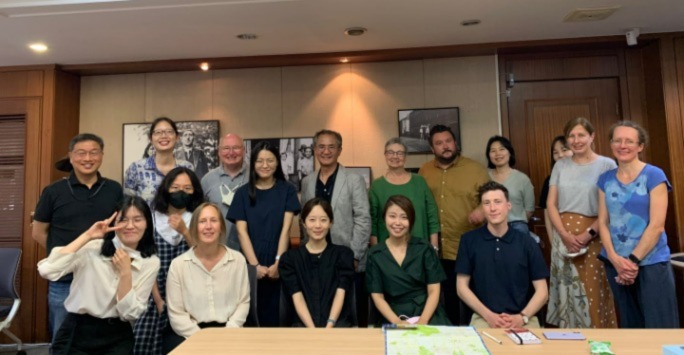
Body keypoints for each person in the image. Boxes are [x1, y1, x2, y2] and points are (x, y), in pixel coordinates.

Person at [37, 196, 160, 354]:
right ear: (114, 222)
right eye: (123, 220)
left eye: (137, 219)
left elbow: (130, 313)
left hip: (117, 333)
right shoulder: (93, 248)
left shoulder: (151, 262)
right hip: (78, 329)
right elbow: (47, 270)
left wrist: (125, 274)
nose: (130, 226)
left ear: (147, 224)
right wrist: (87, 236)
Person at [32, 133, 123, 341]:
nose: (87, 158)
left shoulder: (114, 189)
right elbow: (38, 232)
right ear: (71, 157)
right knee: (63, 338)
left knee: (101, 339)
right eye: (81, 153)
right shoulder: (53, 191)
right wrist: (66, 257)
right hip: (65, 280)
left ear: (101, 156)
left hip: (102, 276)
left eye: (94, 153)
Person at [597, 121, 679, 328]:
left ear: (640, 146)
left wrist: (631, 262)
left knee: (660, 327)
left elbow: (657, 225)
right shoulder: (604, 179)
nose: (622, 145)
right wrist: (616, 260)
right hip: (615, 264)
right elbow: (603, 222)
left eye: (629, 141)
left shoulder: (654, 175)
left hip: (651, 262)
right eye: (617, 140)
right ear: (611, 144)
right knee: (630, 327)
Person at [546, 117, 617, 328]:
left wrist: (588, 234)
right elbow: (551, 204)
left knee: (593, 293)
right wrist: (564, 235)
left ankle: (599, 344)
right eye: (571, 136)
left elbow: (611, 206)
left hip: (595, 237)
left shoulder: (607, 164)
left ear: (592, 136)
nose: (576, 140)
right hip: (564, 237)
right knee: (566, 294)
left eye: (581, 135)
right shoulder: (560, 165)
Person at [418, 124, 488, 325]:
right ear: (432, 149)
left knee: (471, 299)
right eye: (439, 143)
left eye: (448, 141)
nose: (445, 146)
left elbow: (493, 197)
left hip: (468, 247)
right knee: (445, 298)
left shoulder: (475, 169)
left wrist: (481, 209)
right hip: (437, 249)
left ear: (455, 143)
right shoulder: (425, 171)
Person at [300, 129, 370, 325]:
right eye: (321, 146)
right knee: (319, 312)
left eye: (332, 147)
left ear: (340, 150)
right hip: (315, 258)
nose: (326, 151)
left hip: (346, 258)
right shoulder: (307, 181)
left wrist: (354, 255)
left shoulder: (353, 180)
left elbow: (363, 218)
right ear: (314, 150)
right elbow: (303, 218)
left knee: (350, 314)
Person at [227, 141, 301, 327]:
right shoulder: (242, 193)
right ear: (252, 164)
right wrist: (254, 266)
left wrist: (278, 262)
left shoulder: (288, 190)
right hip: (250, 262)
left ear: (277, 163)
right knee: (251, 317)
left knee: (279, 317)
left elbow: (286, 230)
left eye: (270, 160)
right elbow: (242, 232)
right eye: (260, 161)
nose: (265, 165)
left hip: (279, 261)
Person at [456, 181, 548, 328]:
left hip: (524, 318)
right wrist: (489, 316)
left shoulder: (527, 242)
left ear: (508, 206)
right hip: (483, 318)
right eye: (486, 203)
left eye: (497, 202)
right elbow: (461, 287)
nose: (492, 208)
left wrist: (522, 317)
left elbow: (542, 291)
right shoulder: (469, 240)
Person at [133, 167, 205, 355]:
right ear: (166, 189)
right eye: (175, 187)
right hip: (153, 291)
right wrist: (158, 300)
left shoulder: (200, 218)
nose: (181, 192)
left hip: (190, 295)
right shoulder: (151, 218)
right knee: (144, 342)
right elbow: (143, 260)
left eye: (187, 188)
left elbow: (204, 257)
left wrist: (185, 231)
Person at [165, 203, 250, 351]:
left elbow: (243, 302)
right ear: (194, 228)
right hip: (191, 333)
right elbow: (176, 314)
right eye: (202, 221)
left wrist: (229, 332)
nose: (208, 226)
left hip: (230, 330)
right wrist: (202, 339)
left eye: (214, 220)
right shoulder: (178, 265)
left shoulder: (237, 260)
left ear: (221, 227)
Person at [366, 195, 450, 326]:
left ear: (411, 221)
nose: (397, 222)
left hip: (428, 312)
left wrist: (423, 320)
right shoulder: (375, 254)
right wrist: (397, 322)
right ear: (384, 218)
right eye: (392, 216)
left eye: (404, 217)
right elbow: (377, 296)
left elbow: (434, 289)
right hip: (393, 314)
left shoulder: (424, 248)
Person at [279, 198, 355, 327]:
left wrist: (330, 325)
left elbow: (340, 292)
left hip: (337, 325)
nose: (318, 225)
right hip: (303, 326)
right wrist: (313, 330)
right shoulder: (290, 259)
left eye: (324, 220)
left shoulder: (343, 255)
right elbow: (297, 297)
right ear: (303, 223)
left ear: (331, 222)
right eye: (312, 220)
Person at [369, 137, 439, 247]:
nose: (395, 156)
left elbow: (432, 215)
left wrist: (434, 247)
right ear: (385, 155)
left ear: (406, 157)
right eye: (390, 152)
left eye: (400, 153)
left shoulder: (420, 182)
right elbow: (372, 222)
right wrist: (376, 251)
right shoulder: (377, 186)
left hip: (419, 248)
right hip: (388, 252)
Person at [125, 117, 194, 206]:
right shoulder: (136, 168)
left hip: (179, 219)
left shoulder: (187, 167)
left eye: (169, 132)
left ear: (177, 137)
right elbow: (127, 205)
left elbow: (193, 201)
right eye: (158, 132)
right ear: (151, 138)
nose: (164, 136)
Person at [201, 133, 248, 251]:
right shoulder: (207, 180)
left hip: (251, 249)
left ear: (244, 150)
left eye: (236, 148)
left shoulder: (255, 177)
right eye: (226, 148)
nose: (231, 153)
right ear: (219, 152)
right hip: (216, 248)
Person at [485, 135, 535, 236]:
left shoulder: (522, 179)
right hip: (491, 227)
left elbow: (529, 209)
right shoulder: (484, 177)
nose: (497, 154)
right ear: (489, 155)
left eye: (502, 149)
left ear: (510, 152)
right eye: (493, 151)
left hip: (517, 227)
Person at [539, 136, 573, 240]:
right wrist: (551, 239)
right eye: (555, 152)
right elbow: (547, 213)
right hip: (560, 234)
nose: (560, 155)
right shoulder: (549, 181)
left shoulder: (587, 177)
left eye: (564, 150)